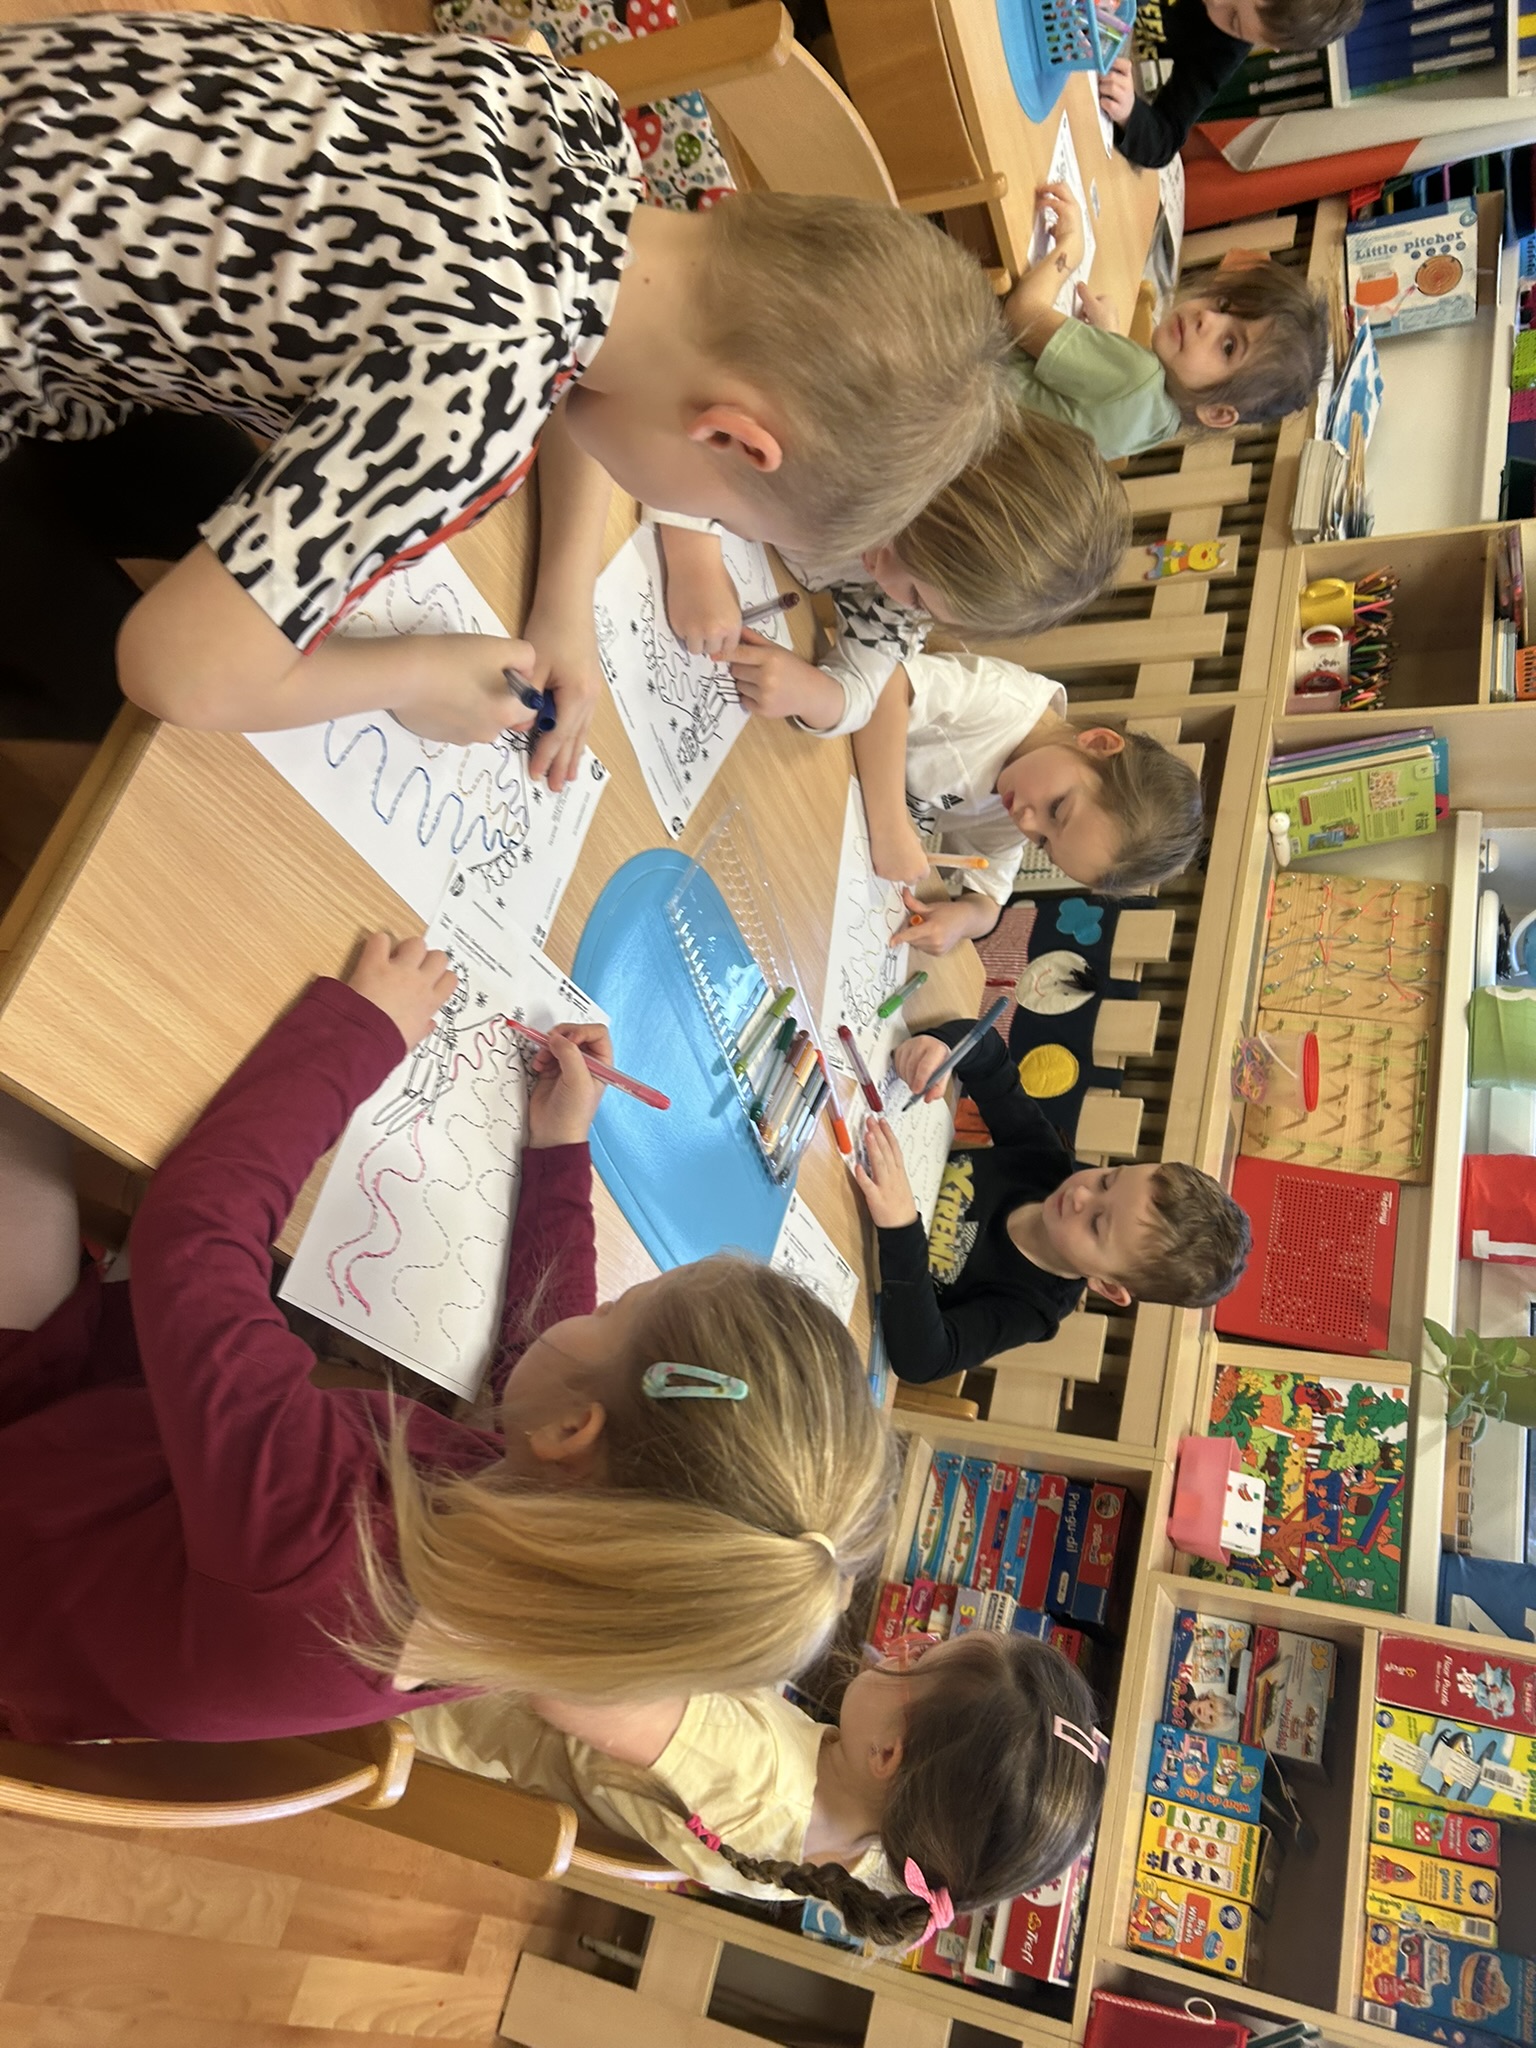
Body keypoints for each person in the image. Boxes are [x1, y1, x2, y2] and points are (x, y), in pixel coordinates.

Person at [0, 14, 1008, 765]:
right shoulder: (464, 405)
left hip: (44, 125)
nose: (696, 518)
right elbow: (173, 670)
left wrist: (562, 608)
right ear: (735, 440)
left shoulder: (579, 119)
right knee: (122, 705)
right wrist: (415, 678)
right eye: (719, 515)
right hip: (32, 350)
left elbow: (561, 370)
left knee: (222, 514)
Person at [0, 934, 896, 1743]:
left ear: (575, 1433)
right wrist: (560, 1144)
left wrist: (363, 1031)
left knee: (32, 1035)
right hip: (124, 1489)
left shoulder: (317, 1531)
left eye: (613, 1313)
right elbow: (546, 1370)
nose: (590, 1313)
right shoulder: (547, 1581)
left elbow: (196, 1232)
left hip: (33, 1485)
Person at [410, 1630, 1107, 1948]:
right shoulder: (862, 1853)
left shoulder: (751, 1771)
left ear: (888, 1753)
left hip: (444, 1669)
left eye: (921, 1654)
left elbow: (552, 1680)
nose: (905, 1639)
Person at [649, 408, 1130, 733]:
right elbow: (677, 413)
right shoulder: (844, 430)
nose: (889, 582)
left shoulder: (902, 599)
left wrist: (818, 696)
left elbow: (864, 689)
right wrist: (694, 560)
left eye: (919, 601)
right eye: (899, 531)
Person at [854, 1023, 1251, 1383]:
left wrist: (901, 1226)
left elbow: (923, 1359)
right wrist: (943, 1048)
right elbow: (990, 1058)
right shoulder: (1044, 1163)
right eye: (1107, 1180)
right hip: (854, 1171)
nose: (1080, 1195)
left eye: (1097, 1223)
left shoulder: (1032, 1308)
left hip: (855, 1255)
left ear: (1108, 1285)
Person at [848, 652, 1203, 959]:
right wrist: (890, 828)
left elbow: (988, 899)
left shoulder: (1020, 799)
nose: (1027, 823)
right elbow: (885, 682)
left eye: (1043, 843)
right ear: (1097, 744)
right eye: (1057, 809)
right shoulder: (1003, 702)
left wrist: (962, 920)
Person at [1006, 187, 1328, 459]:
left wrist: (1069, 249)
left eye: (1229, 346)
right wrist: (1110, 337)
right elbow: (1106, 405)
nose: (1208, 318)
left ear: (1217, 412)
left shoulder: (1138, 374)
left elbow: (1021, 313)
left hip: (979, 370)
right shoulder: (1165, 422)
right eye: (1223, 305)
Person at [1099, 0, 1363, 171]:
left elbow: (1165, 138)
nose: (1217, 1)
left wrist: (1129, 112)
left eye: (1234, 20)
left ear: (1268, 44)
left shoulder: (1224, 48)